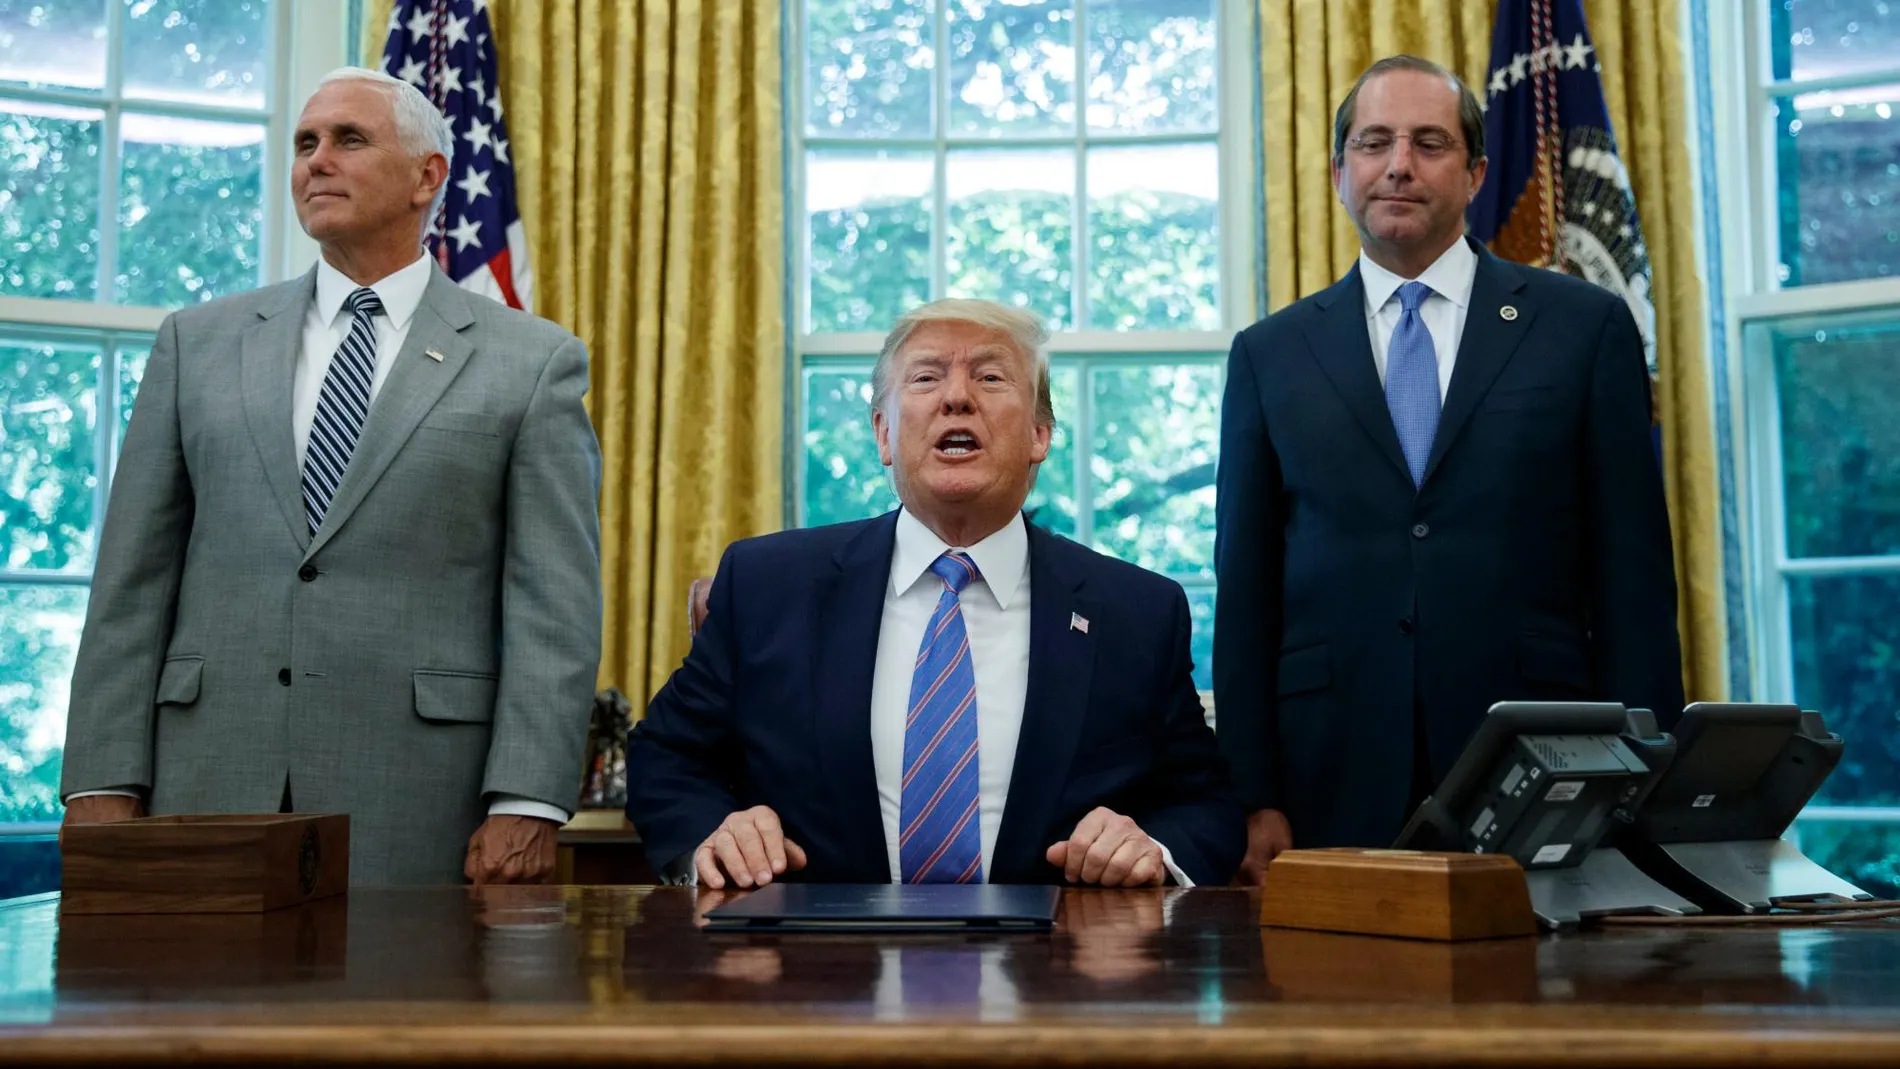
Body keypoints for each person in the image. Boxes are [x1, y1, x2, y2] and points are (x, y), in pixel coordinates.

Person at [58, 67, 603, 886]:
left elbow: (553, 605)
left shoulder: (532, 362)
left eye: (349, 139)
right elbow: (131, 581)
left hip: (424, 798)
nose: (317, 160)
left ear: (427, 176)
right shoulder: (195, 344)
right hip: (206, 780)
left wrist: (529, 798)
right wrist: (101, 776)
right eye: (305, 142)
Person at [1213, 55, 1682, 881]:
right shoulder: (1269, 354)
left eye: (1429, 143)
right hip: (1330, 768)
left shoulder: (1584, 328)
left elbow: (1633, 579)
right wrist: (1253, 794)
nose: (1398, 165)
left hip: (1545, 762)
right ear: (1338, 171)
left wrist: (1641, 779)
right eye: (1374, 143)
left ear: (1476, 174)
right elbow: (1246, 590)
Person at [627, 298, 1244, 889]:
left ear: (1039, 434)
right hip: (814, 951)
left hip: (1055, 954)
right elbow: (667, 757)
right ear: (884, 435)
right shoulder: (766, 584)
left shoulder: (1137, 612)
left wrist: (1151, 849)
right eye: (926, 377)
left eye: (991, 377)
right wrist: (715, 836)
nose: (957, 397)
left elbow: (1204, 804)